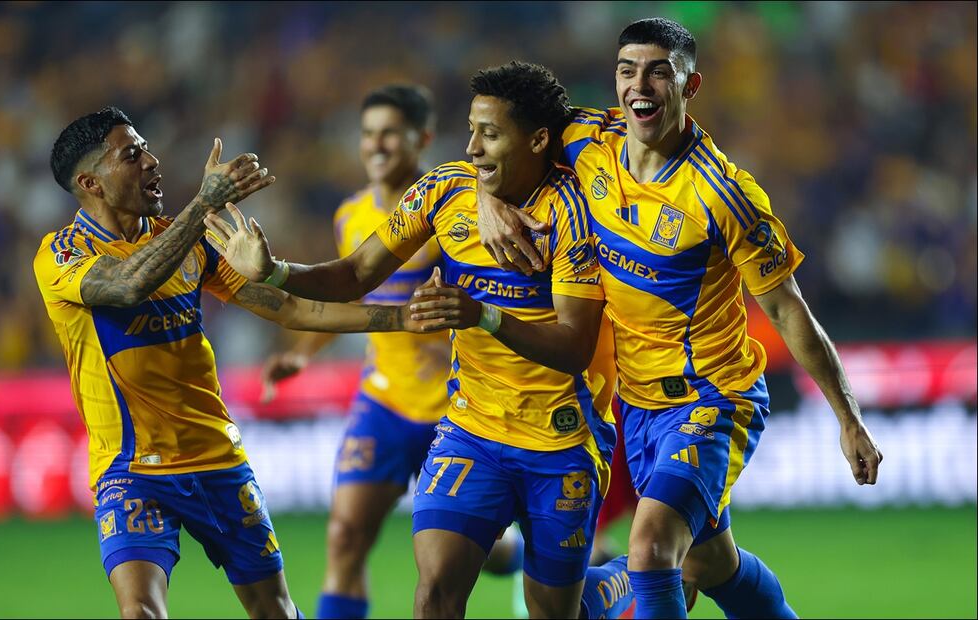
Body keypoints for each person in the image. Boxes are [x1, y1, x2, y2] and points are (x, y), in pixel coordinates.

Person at [472, 17, 883, 619]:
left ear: (690, 87)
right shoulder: (586, 140)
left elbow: (788, 310)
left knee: (652, 548)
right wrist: (486, 199)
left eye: (659, 72)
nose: (640, 85)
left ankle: (607, 589)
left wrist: (848, 419)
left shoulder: (724, 194)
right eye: (627, 70)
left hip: (713, 399)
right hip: (636, 408)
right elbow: (497, 146)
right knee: (711, 565)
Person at [204, 61, 619, 619]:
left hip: (560, 435)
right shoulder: (443, 192)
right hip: (471, 427)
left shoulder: (577, 214)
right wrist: (273, 270)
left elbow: (572, 345)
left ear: (539, 139)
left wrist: (484, 316)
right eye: (470, 130)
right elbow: (353, 276)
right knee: (434, 591)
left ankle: (627, 577)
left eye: (489, 134)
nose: (471, 147)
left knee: (554, 610)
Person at [34, 106, 430, 619]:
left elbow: (290, 308)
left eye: (146, 147)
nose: (152, 161)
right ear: (91, 182)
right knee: (140, 612)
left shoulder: (189, 242)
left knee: (275, 610)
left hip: (219, 461)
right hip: (131, 470)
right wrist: (202, 206)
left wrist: (399, 320)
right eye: (132, 155)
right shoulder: (63, 253)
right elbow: (127, 286)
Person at [258, 85, 452, 620]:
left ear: (423, 139)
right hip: (384, 403)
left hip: (455, 410)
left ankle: (524, 552)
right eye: (368, 134)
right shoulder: (351, 215)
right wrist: (303, 354)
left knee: (469, 556)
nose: (376, 145)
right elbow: (349, 293)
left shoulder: (450, 218)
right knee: (344, 536)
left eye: (390, 132)